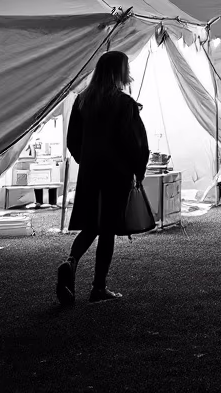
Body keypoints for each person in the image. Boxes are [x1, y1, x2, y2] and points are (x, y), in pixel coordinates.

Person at [55, 51, 149, 305]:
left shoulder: (82, 101)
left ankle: (71, 261)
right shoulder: (124, 103)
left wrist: (85, 162)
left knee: (92, 224)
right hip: (116, 174)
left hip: (90, 172)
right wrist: (137, 172)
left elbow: (73, 141)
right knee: (107, 229)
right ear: (119, 71)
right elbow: (136, 143)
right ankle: (98, 288)